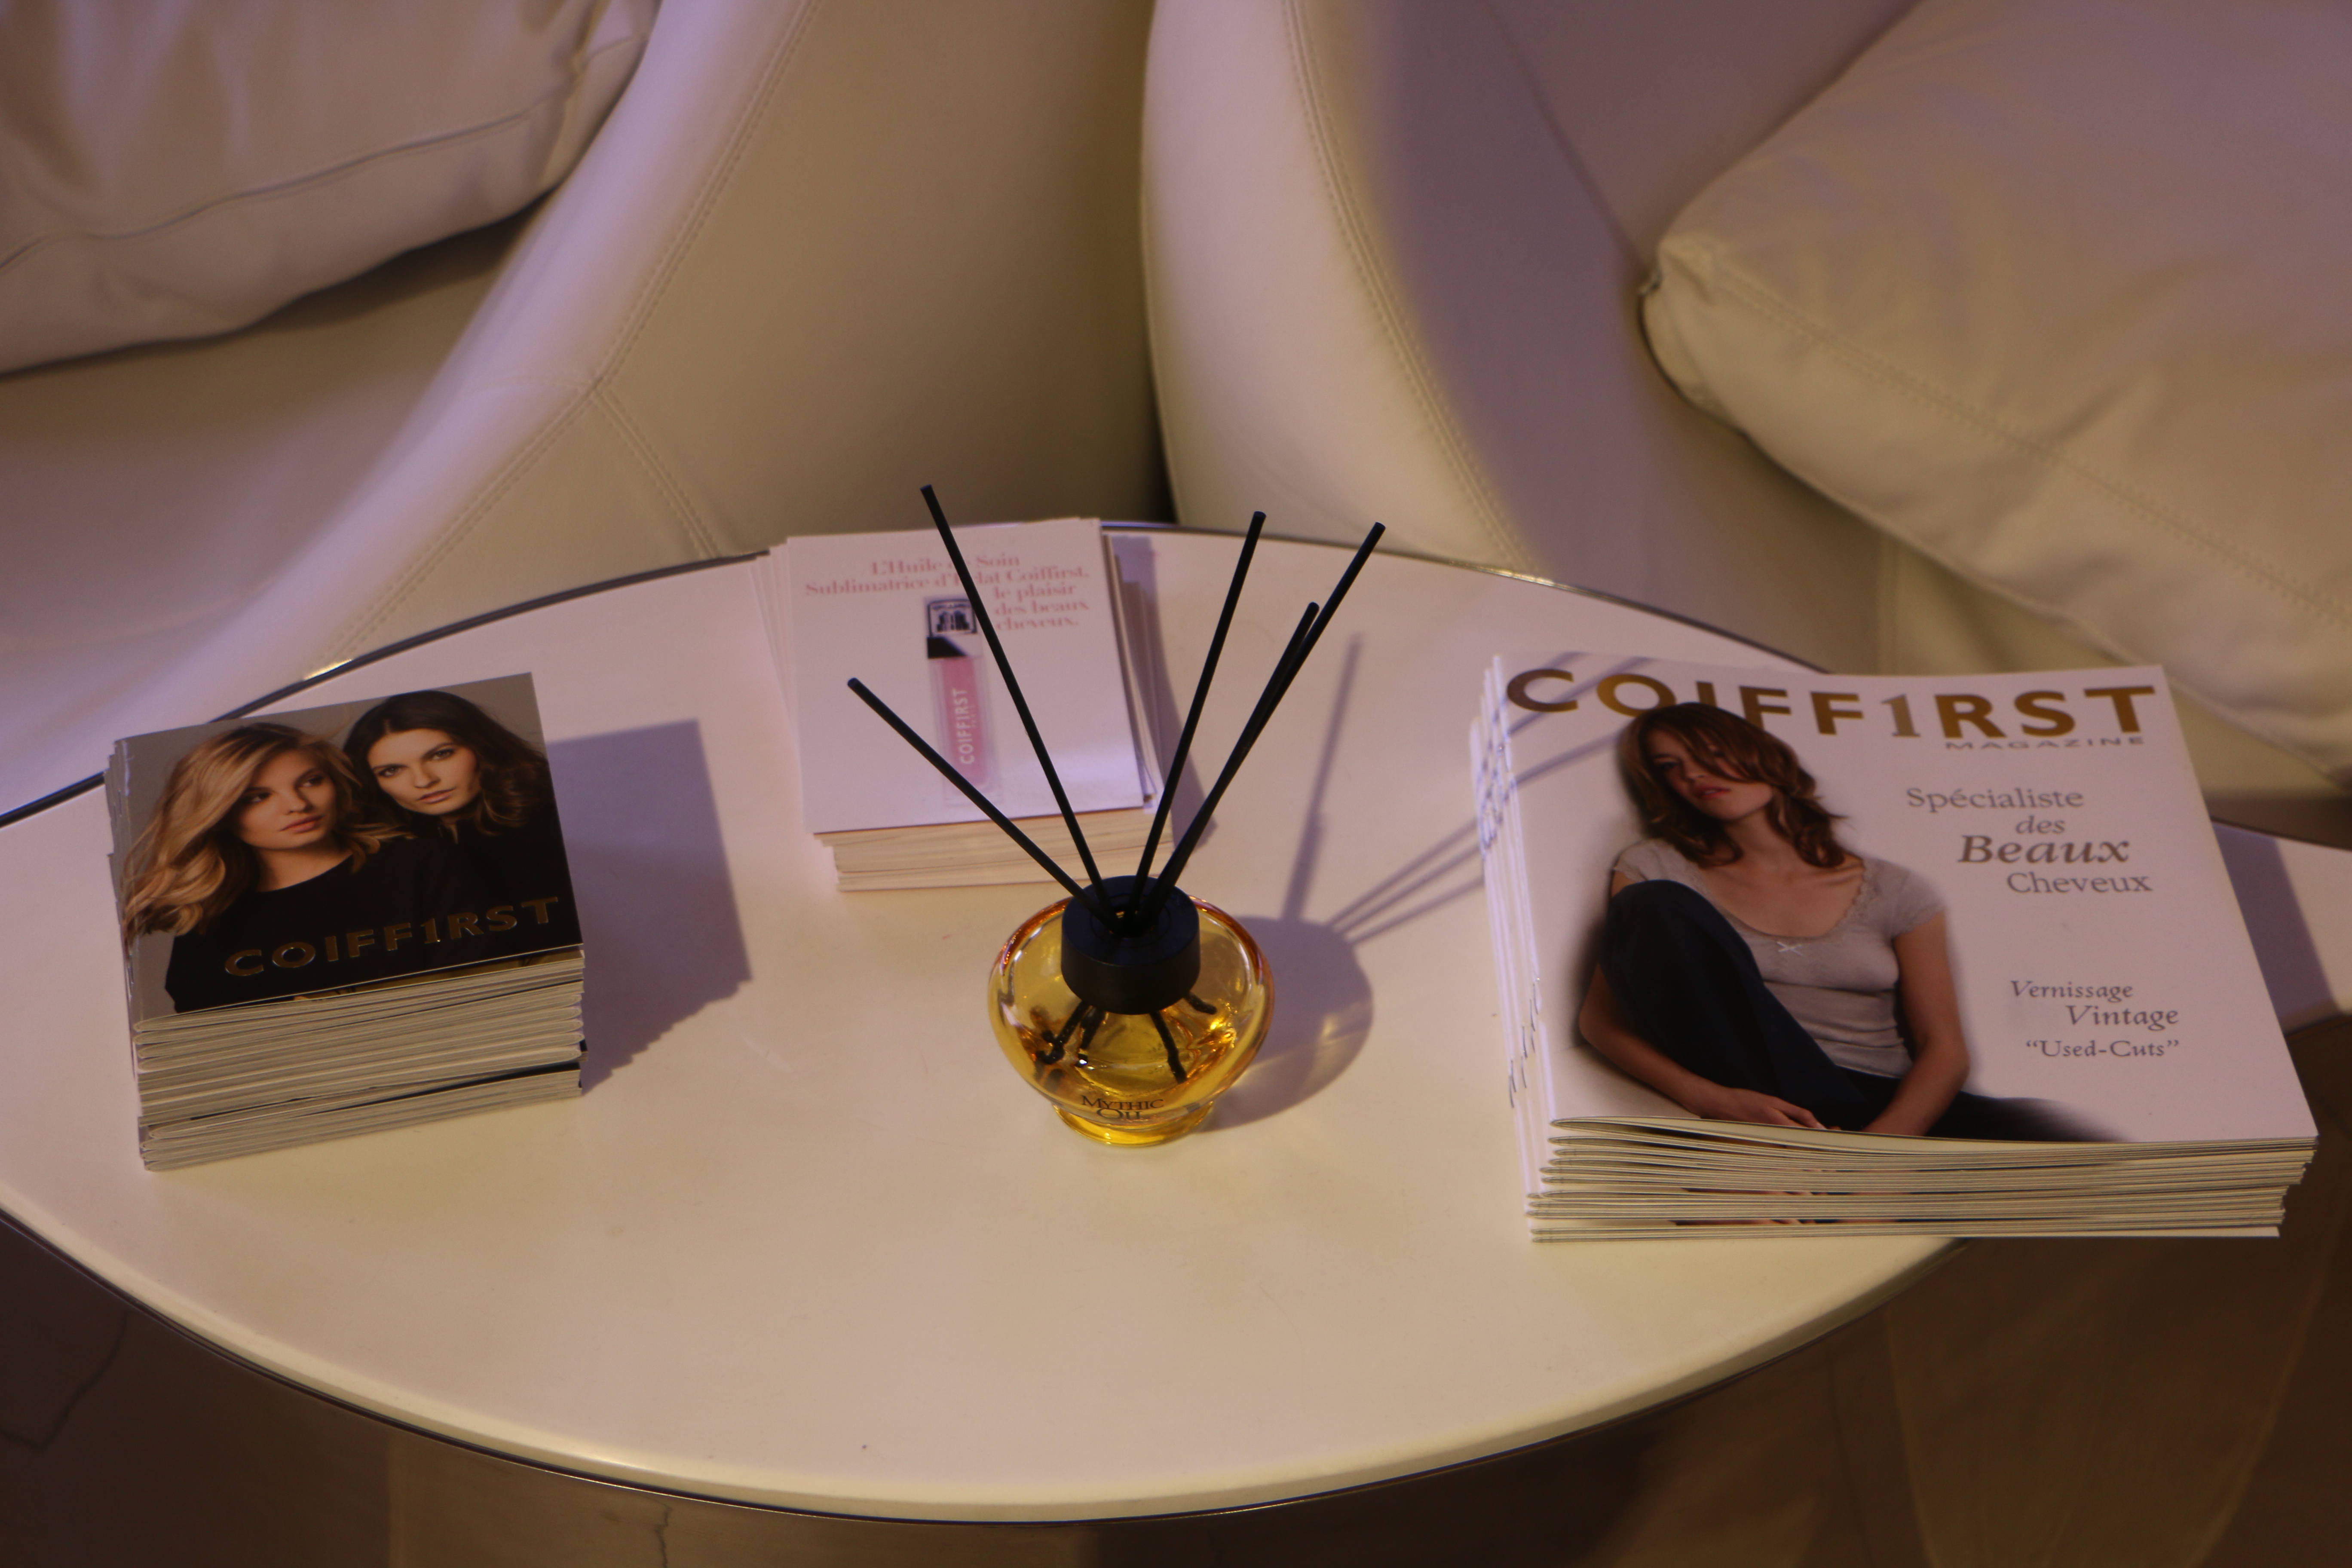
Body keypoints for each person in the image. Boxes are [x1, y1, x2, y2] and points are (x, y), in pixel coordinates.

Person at [1578, 702, 2082, 1140]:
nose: (1693, 775)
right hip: (1762, 1093)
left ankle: (1835, 1159)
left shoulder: (1896, 889)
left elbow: (1943, 1049)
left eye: (1711, 753)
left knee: (2059, 1137)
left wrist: (1882, 1152)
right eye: (1671, 767)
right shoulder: (1655, 870)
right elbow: (1601, 1021)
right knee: (1654, 903)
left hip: (1882, 1100)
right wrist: (1712, 1100)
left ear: (1764, 755)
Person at [121, 723, 491, 1013]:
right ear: (218, 815)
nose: (297, 804)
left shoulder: (422, 863)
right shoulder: (208, 919)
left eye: (312, 781)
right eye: (258, 797)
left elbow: (477, 991)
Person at [343, 690, 580, 954]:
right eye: (392, 770)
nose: (424, 781)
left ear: (481, 747)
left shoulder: (556, 826)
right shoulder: (396, 853)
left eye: (441, 755)